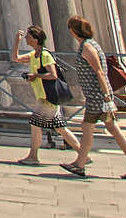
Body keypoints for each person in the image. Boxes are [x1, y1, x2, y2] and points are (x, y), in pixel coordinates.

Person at [63, 16, 126, 179]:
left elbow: (99, 71)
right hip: (98, 97)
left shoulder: (87, 47)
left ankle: (81, 163)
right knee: (107, 129)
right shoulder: (90, 44)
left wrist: (106, 95)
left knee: (90, 129)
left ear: (73, 31)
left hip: (97, 97)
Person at [11, 25, 83, 167]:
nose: (26, 38)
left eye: (28, 37)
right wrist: (17, 41)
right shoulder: (33, 55)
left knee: (35, 123)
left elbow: (53, 75)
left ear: (36, 39)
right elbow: (16, 58)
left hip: (48, 98)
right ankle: (83, 154)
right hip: (43, 96)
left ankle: (33, 156)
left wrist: (35, 75)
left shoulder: (45, 55)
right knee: (60, 127)